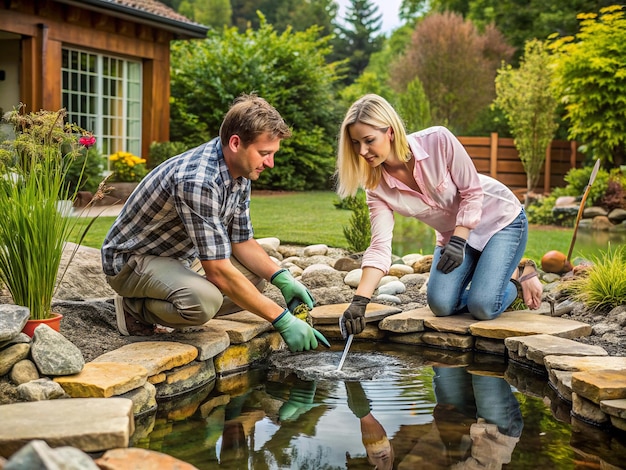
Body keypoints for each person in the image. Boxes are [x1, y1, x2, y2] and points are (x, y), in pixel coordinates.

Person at [101, 93, 329, 352]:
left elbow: (241, 240)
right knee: (203, 302)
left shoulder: (240, 172)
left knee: (257, 278)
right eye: (264, 153)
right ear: (235, 143)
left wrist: (283, 278)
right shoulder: (198, 180)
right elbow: (218, 271)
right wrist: (282, 320)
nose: (271, 163)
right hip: (133, 262)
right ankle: (135, 309)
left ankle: (176, 298)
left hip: (177, 259)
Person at [335, 94, 543, 337]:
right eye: (355, 143)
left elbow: (472, 192)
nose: (362, 151)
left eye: (369, 140)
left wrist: (459, 240)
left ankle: (518, 276)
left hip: (500, 220)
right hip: (452, 237)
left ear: (389, 131)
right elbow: (380, 245)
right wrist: (360, 301)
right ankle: (494, 275)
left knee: (483, 306)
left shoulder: (437, 140)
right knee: (441, 305)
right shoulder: (376, 186)